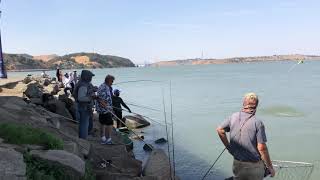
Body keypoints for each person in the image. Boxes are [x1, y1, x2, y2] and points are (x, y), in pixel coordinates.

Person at [216, 93, 275, 180]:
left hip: (237, 164)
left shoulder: (233, 117)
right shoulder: (258, 123)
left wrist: (229, 148)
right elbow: (262, 148)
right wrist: (270, 167)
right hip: (254, 167)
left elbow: (220, 130)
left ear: (244, 104)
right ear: (256, 106)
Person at [73, 70, 96, 139]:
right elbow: (81, 98)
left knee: (85, 123)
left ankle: (84, 137)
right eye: (90, 76)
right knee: (84, 124)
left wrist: (93, 89)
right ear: (86, 77)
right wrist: (91, 97)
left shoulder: (83, 83)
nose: (91, 78)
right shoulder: (83, 85)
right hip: (83, 107)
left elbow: (86, 92)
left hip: (84, 107)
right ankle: (83, 139)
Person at [96, 75, 115, 144]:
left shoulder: (102, 85)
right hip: (105, 110)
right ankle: (108, 139)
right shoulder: (104, 88)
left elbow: (99, 98)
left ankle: (103, 138)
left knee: (102, 123)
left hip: (102, 109)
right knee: (109, 124)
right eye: (112, 81)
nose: (112, 83)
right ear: (109, 80)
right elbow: (102, 100)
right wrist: (109, 108)